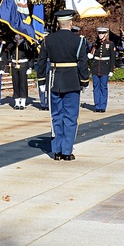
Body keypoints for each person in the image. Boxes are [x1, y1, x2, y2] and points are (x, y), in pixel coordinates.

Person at [36, 10, 90, 161]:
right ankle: (67, 151)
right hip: (72, 81)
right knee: (71, 117)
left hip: (54, 81)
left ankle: (57, 151)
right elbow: (83, 63)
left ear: (58, 24)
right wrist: (84, 81)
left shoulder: (48, 40)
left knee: (56, 117)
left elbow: (41, 62)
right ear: (71, 23)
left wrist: (41, 81)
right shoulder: (79, 40)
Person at [89, 27, 114, 112]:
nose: (100, 35)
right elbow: (92, 55)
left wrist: (111, 70)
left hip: (105, 68)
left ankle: (102, 106)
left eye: (102, 33)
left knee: (103, 87)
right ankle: (97, 106)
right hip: (96, 67)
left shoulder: (110, 44)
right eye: (99, 33)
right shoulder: (95, 44)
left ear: (106, 34)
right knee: (96, 87)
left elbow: (112, 58)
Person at [10, 33, 36, 110]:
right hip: (15, 64)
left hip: (23, 64)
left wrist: (30, 67)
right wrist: (15, 42)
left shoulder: (26, 43)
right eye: (16, 34)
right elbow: (9, 49)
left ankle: (23, 102)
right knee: (15, 83)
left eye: (19, 34)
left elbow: (31, 55)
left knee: (23, 83)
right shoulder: (13, 43)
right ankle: (17, 102)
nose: (17, 36)